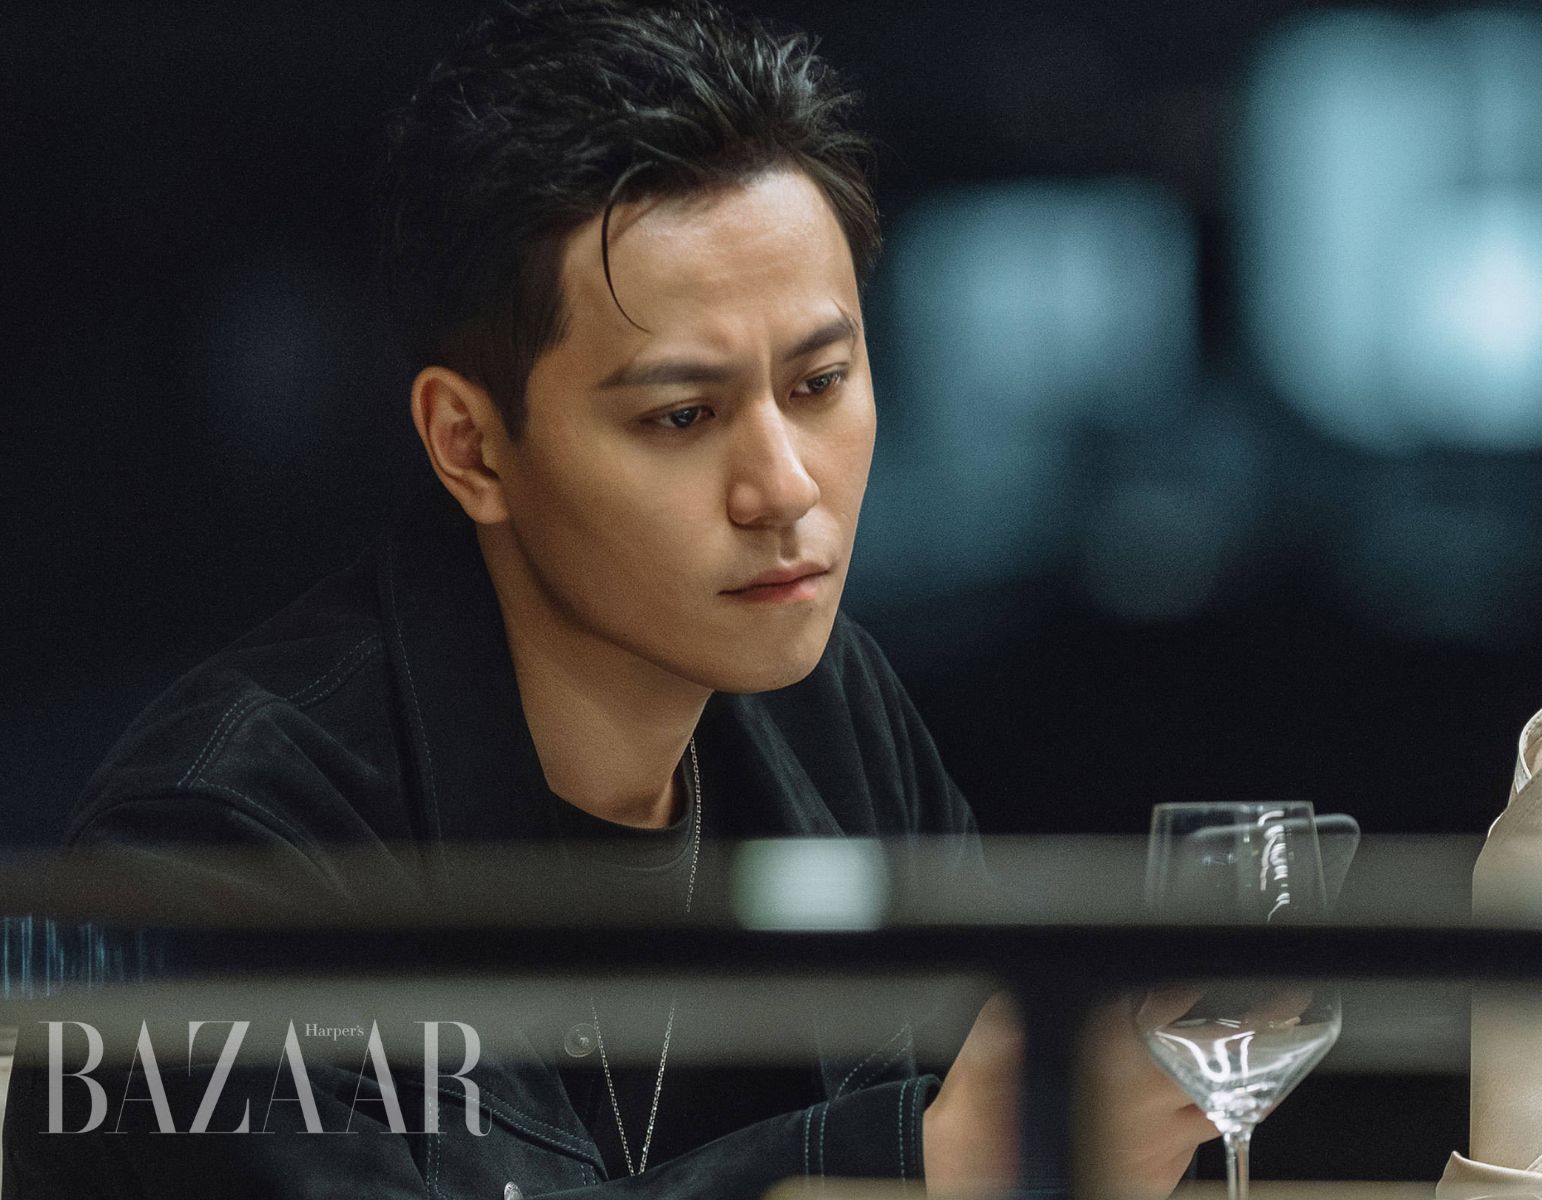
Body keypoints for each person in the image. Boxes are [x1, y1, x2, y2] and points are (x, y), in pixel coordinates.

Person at [0, 1, 1217, 1196]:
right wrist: (914, 1162)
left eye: (819, 383)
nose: (784, 486)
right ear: (471, 445)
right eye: (680, 416)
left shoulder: (827, 709)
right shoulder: (232, 839)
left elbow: (1001, 1118)